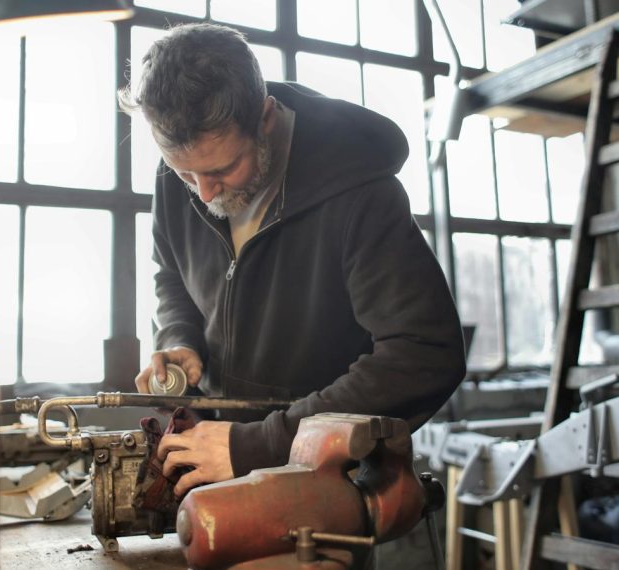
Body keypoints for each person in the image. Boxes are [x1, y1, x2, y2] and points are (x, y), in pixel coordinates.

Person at [119, 23, 465, 497]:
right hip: (212, 461)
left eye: (221, 170)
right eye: (184, 174)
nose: (202, 193)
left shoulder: (361, 193)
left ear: (265, 117)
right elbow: (172, 275)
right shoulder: (178, 175)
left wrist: (260, 444)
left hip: (330, 482)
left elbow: (423, 354)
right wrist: (180, 337)